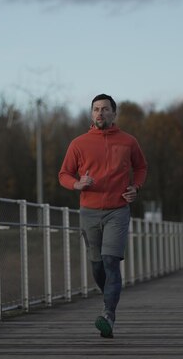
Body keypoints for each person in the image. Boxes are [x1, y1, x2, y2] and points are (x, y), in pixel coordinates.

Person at [59, 93, 148, 339]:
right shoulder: (78, 143)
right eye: (96, 109)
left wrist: (135, 187)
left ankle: (108, 314)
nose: (100, 113)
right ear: (91, 114)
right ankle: (109, 296)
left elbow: (141, 167)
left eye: (105, 109)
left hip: (117, 210)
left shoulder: (128, 141)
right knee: (97, 265)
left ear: (113, 113)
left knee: (110, 261)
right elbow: (64, 174)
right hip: (89, 211)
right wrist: (77, 184)